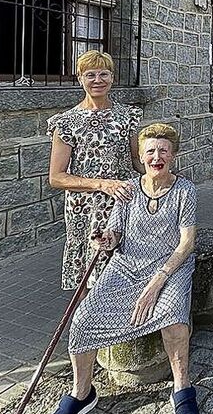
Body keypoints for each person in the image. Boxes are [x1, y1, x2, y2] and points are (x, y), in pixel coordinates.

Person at [40, 123, 200, 414]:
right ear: (141, 156)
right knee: (84, 317)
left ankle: (182, 387)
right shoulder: (128, 189)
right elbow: (115, 234)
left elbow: (187, 243)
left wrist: (158, 282)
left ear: (174, 156)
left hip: (171, 266)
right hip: (127, 266)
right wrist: (106, 239)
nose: (157, 157)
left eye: (164, 150)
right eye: (150, 151)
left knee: (173, 317)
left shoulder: (185, 191)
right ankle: (81, 394)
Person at [48, 50, 143, 291]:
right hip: (84, 208)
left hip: (123, 202)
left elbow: (135, 160)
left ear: (112, 78)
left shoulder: (127, 116)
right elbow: (57, 177)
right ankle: (88, 323)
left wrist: (162, 174)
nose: (97, 80)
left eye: (104, 74)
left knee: (124, 261)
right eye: (90, 74)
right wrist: (101, 184)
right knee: (86, 270)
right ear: (80, 78)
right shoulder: (66, 122)